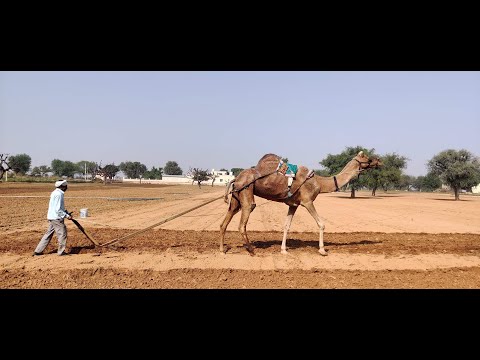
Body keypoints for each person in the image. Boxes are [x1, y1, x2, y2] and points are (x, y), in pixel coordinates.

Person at [33, 179, 72, 256]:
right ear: (62, 186)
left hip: (52, 216)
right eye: (65, 186)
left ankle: (37, 251)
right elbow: (57, 209)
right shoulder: (59, 194)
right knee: (62, 233)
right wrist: (67, 216)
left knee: (48, 234)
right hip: (56, 218)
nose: (66, 187)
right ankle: (61, 252)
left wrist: (66, 212)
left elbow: (57, 207)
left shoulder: (54, 192)